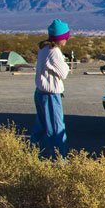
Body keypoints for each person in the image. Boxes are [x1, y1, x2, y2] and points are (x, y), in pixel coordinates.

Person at [32, 19, 71, 158]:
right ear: (61, 37)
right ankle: (59, 159)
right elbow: (64, 72)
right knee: (56, 129)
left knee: (41, 127)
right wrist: (65, 64)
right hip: (50, 95)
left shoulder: (43, 48)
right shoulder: (54, 51)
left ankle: (32, 155)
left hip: (40, 92)